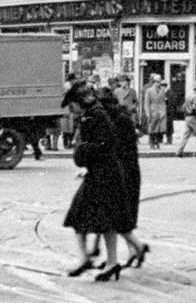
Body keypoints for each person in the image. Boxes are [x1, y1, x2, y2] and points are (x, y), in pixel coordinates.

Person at [63, 81, 135, 281]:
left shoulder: (95, 115)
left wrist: (82, 152)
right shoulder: (94, 114)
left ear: (80, 102)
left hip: (103, 175)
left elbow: (105, 143)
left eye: (72, 105)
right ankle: (108, 262)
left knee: (81, 217)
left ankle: (93, 260)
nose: (71, 110)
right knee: (105, 219)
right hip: (102, 173)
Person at [99, 88, 150, 269]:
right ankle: (133, 249)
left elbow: (116, 148)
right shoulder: (121, 117)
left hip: (123, 171)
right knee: (121, 214)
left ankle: (135, 249)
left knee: (118, 214)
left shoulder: (117, 120)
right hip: (127, 170)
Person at [173, 78, 196, 159]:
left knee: (185, 135)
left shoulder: (188, 96)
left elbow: (183, 107)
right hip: (193, 118)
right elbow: (195, 108)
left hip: (187, 117)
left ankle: (179, 151)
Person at [140, 74, 168, 149]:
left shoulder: (162, 91)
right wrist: (148, 113)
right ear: (153, 82)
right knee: (152, 128)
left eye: (159, 82)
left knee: (159, 128)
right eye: (156, 82)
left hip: (160, 112)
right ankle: (151, 143)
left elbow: (163, 102)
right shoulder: (149, 91)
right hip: (152, 111)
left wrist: (163, 110)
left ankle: (157, 142)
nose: (158, 83)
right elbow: (146, 103)